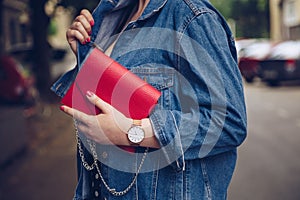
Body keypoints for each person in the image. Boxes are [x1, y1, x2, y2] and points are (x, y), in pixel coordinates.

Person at [51, 0, 247, 199]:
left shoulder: (192, 16)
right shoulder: (115, 16)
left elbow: (229, 122)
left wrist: (129, 132)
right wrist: (85, 53)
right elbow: (112, 95)